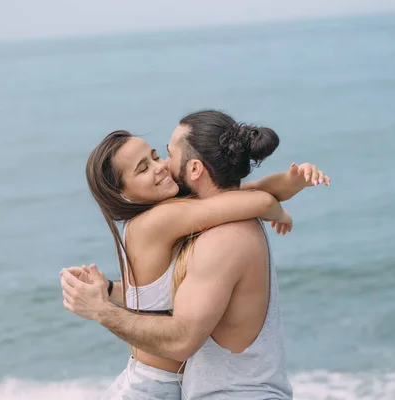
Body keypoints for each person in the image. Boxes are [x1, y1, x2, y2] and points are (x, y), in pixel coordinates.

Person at [62, 110, 329, 399]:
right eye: (143, 168)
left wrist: (111, 291)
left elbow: (253, 194)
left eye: (158, 155)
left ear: (195, 170)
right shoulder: (160, 220)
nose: (161, 166)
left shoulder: (190, 220)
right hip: (151, 387)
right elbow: (259, 198)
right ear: (121, 193)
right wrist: (279, 208)